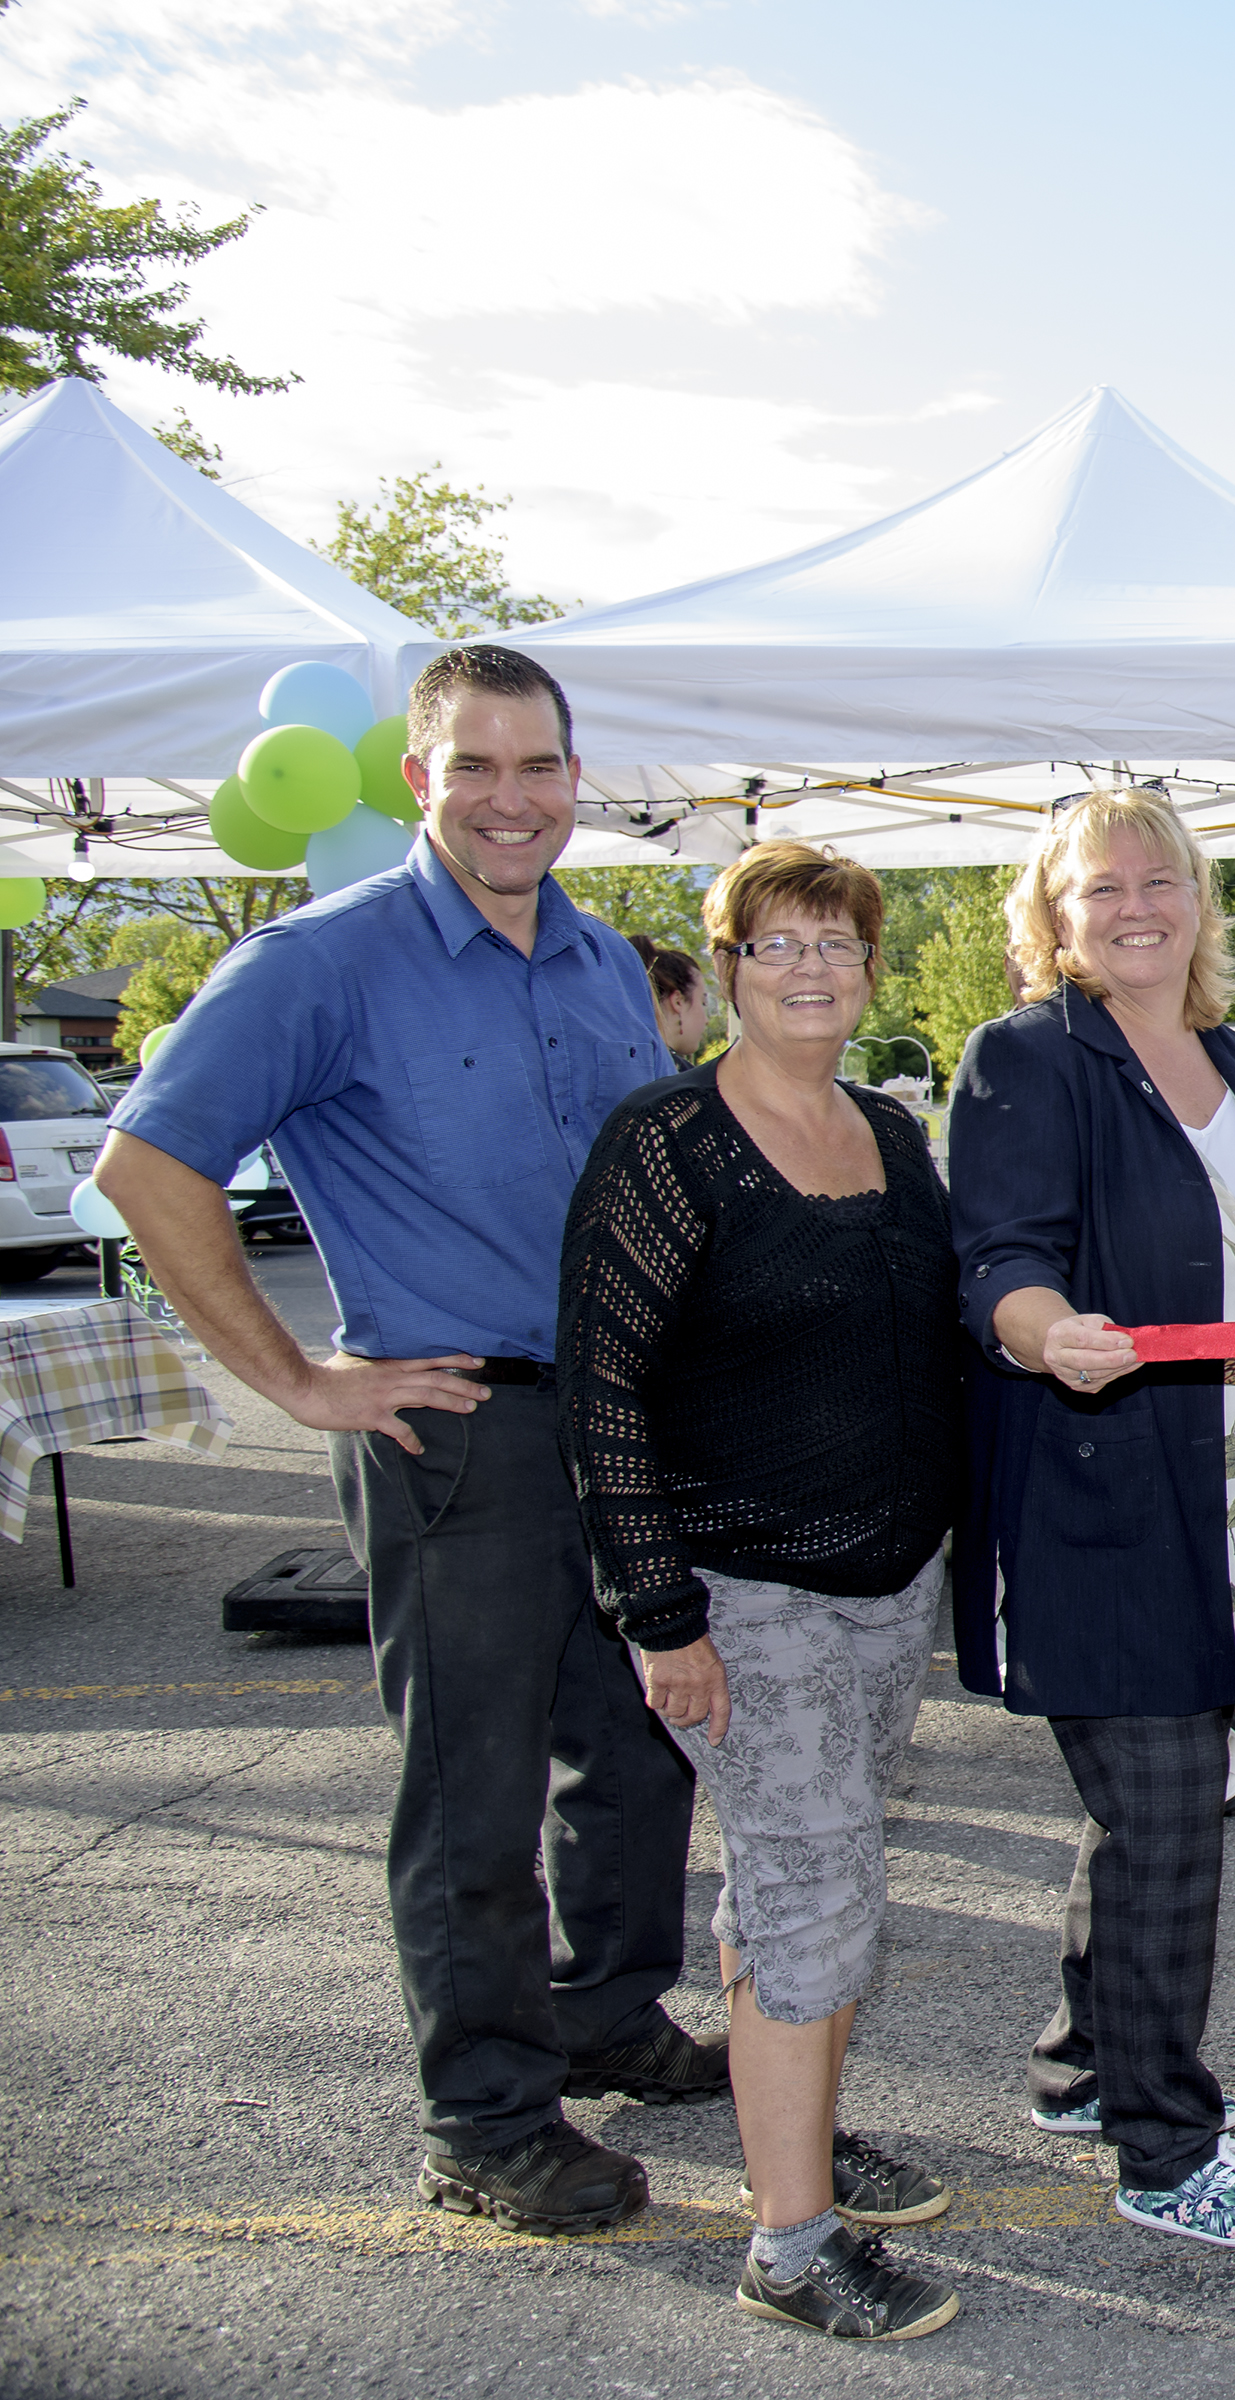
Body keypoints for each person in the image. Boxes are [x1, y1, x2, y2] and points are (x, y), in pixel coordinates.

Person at [93, 646, 718, 2237]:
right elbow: (151, 1169)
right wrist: (300, 1379)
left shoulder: (591, 959)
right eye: (476, 769)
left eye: (541, 768)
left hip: (622, 1428)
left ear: (578, 780)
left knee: (639, 1758)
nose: (512, 800)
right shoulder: (322, 963)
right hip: (457, 1436)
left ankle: (605, 2014)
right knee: (474, 1795)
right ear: (415, 782)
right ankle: (490, 2119)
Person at [559, 843, 968, 2339]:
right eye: (778, 943)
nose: (812, 969)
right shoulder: (670, 1141)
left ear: (870, 970)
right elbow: (602, 1393)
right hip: (739, 1589)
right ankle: (791, 2247)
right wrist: (660, 1616)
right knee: (817, 1889)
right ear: (725, 965)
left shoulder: (885, 1131)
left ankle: (789, 2129)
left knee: (795, 1886)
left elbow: (934, 1337)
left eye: (839, 945)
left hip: (883, 1585)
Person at [949, 791, 1235, 2256]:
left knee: (1150, 1809)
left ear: (1197, 900)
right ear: (1055, 916)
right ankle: (1168, 2148)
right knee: (1174, 1815)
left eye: (1157, 879)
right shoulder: (1028, 1057)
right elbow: (998, 1258)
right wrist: (1049, 1332)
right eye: (1099, 886)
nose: (1134, 906)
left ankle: (1082, 2064)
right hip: (1101, 1499)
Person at [628, 930, 714, 1064]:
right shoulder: (682, 1079)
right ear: (678, 1001)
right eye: (702, 1002)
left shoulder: (626, 1061)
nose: (706, 1020)